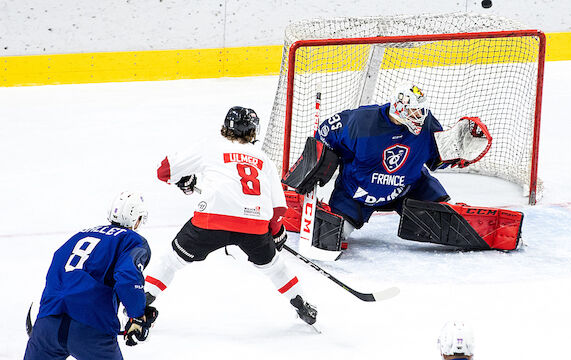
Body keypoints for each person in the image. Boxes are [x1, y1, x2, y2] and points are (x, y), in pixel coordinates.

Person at [283, 83, 522, 253]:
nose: (420, 116)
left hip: (409, 186)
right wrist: (316, 164)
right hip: (357, 193)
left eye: (421, 111)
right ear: (400, 107)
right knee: (331, 236)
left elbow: (435, 159)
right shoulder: (360, 121)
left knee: (447, 221)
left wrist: (458, 154)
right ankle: (298, 210)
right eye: (415, 111)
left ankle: (497, 232)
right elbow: (324, 134)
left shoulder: (427, 124)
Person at [144, 106, 317, 325]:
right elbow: (278, 210)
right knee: (275, 267)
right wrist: (276, 231)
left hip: (211, 222)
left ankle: (141, 303)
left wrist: (182, 179)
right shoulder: (263, 158)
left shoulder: (210, 146)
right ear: (253, 131)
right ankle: (302, 305)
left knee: (172, 261)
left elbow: (164, 171)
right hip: (254, 226)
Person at [24, 191, 157, 360]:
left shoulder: (79, 236)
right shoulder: (132, 240)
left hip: (48, 322)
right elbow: (128, 277)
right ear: (136, 220)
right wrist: (137, 315)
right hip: (91, 326)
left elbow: (55, 270)